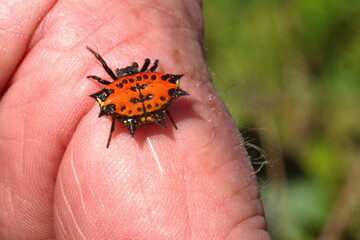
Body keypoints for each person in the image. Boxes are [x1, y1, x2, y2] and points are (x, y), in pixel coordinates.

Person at [0, 0, 271, 239]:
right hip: (143, 100)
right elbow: (152, 67)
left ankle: (146, 119)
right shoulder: (145, 75)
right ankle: (154, 117)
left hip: (133, 101)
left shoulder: (113, 83)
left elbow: (110, 77)